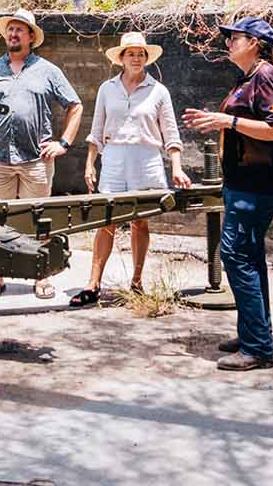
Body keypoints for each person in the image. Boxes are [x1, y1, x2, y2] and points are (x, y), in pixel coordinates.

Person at [182, 16, 273, 371]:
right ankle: (254, 335)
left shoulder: (266, 76)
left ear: (255, 43)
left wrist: (226, 121)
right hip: (244, 183)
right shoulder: (248, 77)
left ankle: (257, 348)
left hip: (258, 184)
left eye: (235, 38)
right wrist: (215, 119)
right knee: (248, 258)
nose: (228, 43)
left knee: (235, 255)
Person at [0, 8, 83, 299]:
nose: (13, 34)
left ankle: (41, 275)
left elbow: (75, 105)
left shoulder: (48, 71)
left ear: (31, 36)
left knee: (37, 219)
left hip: (36, 160)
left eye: (19, 29)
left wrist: (63, 143)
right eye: (10, 29)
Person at [71, 31, 193, 307]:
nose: (136, 58)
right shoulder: (107, 88)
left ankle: (136, 283)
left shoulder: (158, 91)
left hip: (146, 159)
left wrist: (176, 167)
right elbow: (96, 130)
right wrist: (90, 163)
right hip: (114, 158)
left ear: (146, 58)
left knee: (140, 221)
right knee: (107, 221)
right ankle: (93, 283)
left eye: (141, 54)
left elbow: (170, 133)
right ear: (122, 58)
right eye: (131, 54)